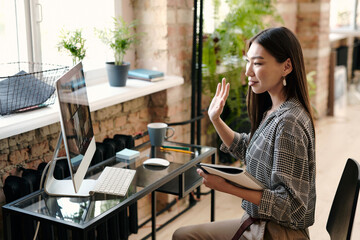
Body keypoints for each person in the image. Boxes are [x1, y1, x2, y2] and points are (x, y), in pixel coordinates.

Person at [173, 26, 316, 239]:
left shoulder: (289, 123)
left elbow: (290, 206)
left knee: (184, 237)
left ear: (286, 66)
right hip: (260, 221)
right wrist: (216, 119)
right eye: (247, 61)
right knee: (183, 235)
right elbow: (250, 148)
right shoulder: (276, 109)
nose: (248, 71)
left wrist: (226, 186)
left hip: (278, 232)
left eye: (257, 63)